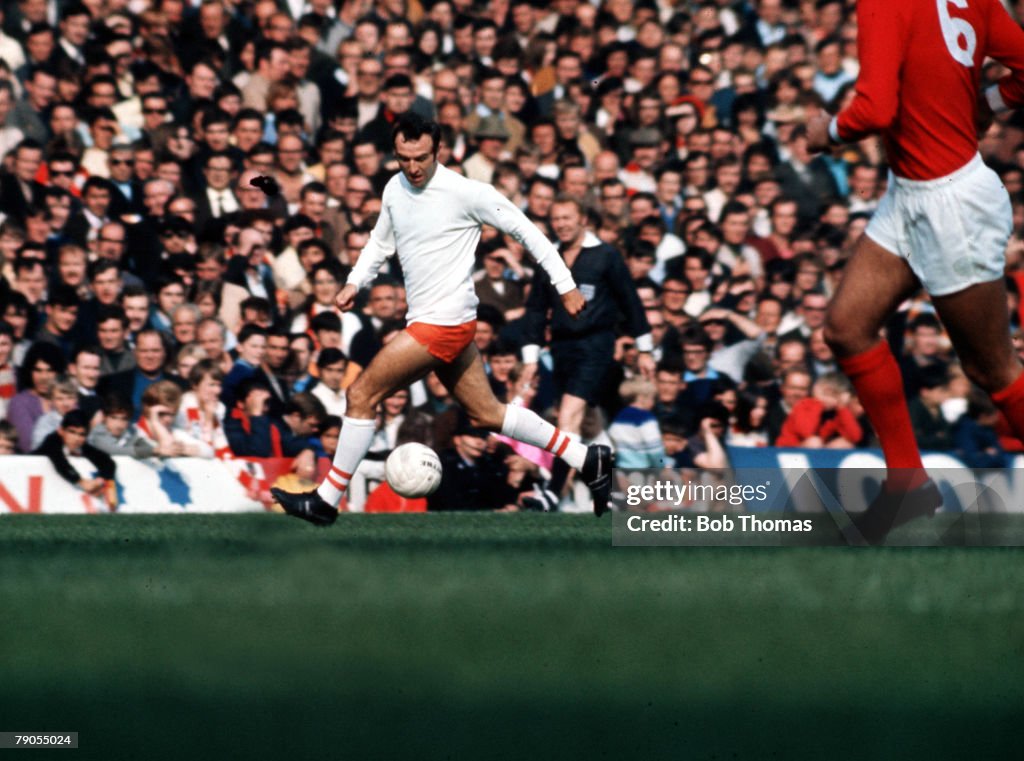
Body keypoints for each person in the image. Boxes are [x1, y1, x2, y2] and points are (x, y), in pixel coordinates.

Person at [272, 113, 613, 525]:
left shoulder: (466, 192)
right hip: (441, 322)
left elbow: (527, 231)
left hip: (444, 323)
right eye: (403, 158)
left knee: (360, 395)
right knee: (488, 413)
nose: (412, 167)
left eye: (420, 158)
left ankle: (326, 501)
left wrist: (566, 284)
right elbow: (380, 242)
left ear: (439, 151)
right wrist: (355, 282)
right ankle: (586, 457)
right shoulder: (395, 189)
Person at [806, 0, 1024, 543]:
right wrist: (989, 99)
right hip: (912, 192)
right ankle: (907, 485)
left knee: (993, 370)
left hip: (950, 203)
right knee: (847, 328)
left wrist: (825, 131)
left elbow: (875, 109)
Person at [521, 193, 654, 500]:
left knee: (568, 415)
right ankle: (610, 487)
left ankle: (552, 493)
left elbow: (630, 301)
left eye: (567, 218)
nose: (561, 225)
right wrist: (530, 356)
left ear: (582, 219)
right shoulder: (549, 257)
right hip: (561, 348)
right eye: (556, 219)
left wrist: (645, 349)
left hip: (596, 345)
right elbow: (536, 309)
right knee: (586, 422)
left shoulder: (605, 255)